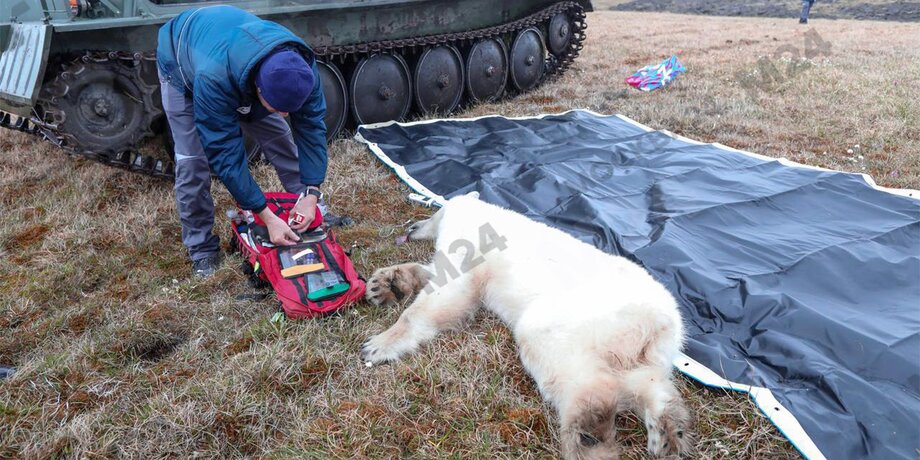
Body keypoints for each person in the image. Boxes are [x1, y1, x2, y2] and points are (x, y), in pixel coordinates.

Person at [157, 5, 328, 277]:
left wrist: (312, 192)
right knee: (193, 162)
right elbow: (225, 154)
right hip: (183, 64)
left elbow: (312, 129)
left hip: (237, 58)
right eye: (278, 107)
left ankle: (308, 211)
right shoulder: (213, 79)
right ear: (258, 88)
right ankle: (201, 248)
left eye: (289, 109)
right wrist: (266, 216)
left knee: (281, 138)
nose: (285, 115)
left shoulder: (301, 68)